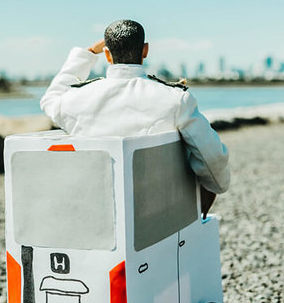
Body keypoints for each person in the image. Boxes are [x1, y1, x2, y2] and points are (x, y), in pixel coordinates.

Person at [40, 19, 230, 214]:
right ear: (145, 50)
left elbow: (50, 99)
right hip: (159, 208)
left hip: (93, 207)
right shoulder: (175, 100)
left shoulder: (75, 100)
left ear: (107, 54)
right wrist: (218, 186)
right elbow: (213, 156)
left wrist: (88, 54)